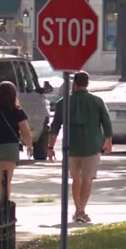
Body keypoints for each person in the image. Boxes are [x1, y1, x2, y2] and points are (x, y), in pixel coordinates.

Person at [49, 71, 115, 224]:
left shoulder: (63, 103)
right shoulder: (97, 101)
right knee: (87, 178)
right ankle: (81, 210)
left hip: (71, 146)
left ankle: (78, 207)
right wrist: (108, 141)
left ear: (74, 84)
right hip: (92, 145)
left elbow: (55, 127)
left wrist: (50, 147)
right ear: (87, 84)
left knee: (75, 178)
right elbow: (106, 123)